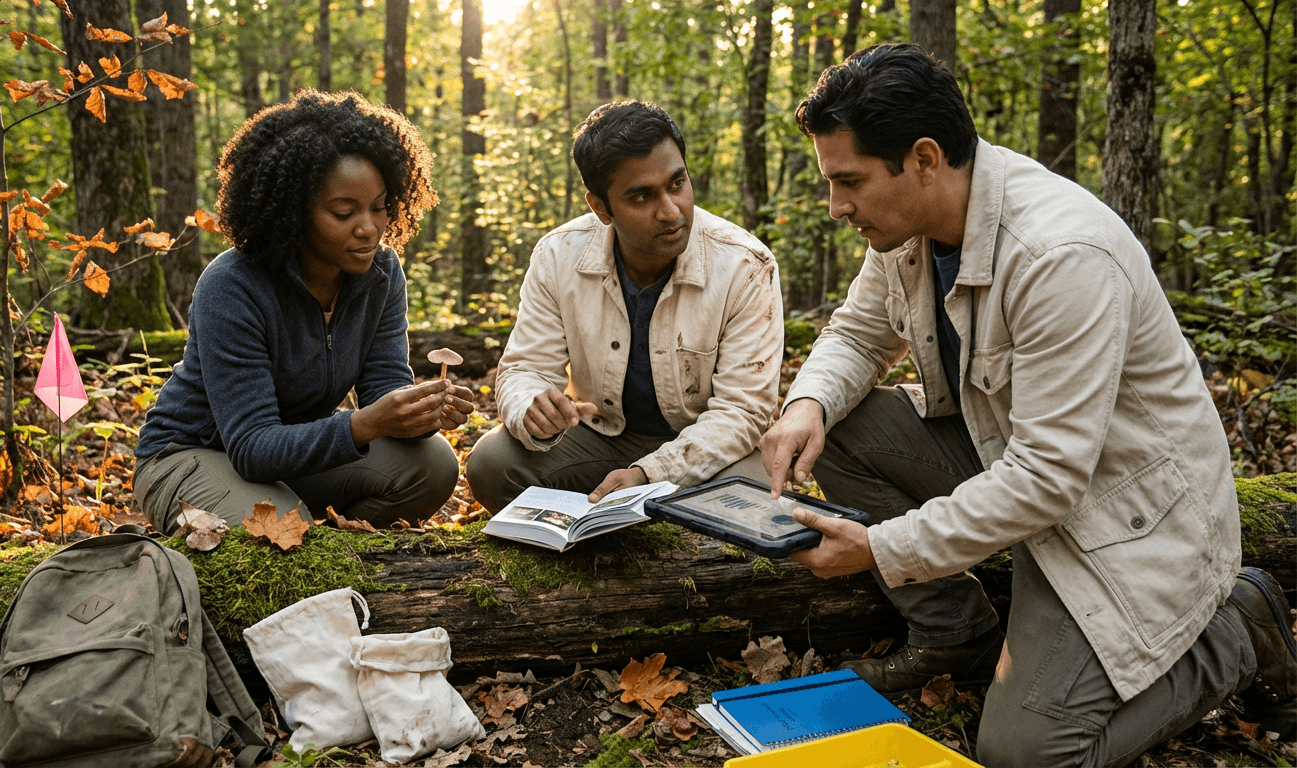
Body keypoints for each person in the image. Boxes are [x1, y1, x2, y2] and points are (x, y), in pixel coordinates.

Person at [760, 43, 1296, 766]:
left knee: (1028, 756)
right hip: (1008, 466)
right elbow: (859, 332)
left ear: (923, 159)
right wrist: (806, 404)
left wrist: (883, 550)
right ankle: (956, 634)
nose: (836, 207)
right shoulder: (905, 228)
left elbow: (1048, 479)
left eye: (848, 181)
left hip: (1116, 518)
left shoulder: (1058, 255)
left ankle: (1236, 631)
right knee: (844, 422)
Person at [133, 90, 474, 532]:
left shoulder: (382, 274)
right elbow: (253, 446)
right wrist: (362, 424)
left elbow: (383, 392)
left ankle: (343, 556)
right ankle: (307, 548)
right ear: (294, 211)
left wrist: (421, 415)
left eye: (379, 207)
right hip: (190, 455)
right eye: (343, 211)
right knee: (279, 530)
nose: (369, 228)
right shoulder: (233, 284)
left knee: (431, 464)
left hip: (290, 453)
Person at [465, 100, 784, 513]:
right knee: (493, 463)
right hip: (600, 439)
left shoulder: (745, 265)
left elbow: (743, 412)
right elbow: (524, 369)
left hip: (705, 445)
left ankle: (660, 534)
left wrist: (647, 475)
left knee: (751, 492)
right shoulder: (558, 256)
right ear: (600, 207)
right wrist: (533, 410)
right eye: (641, 197)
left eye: (676, 183)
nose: (671, 212)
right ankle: (603, 532)